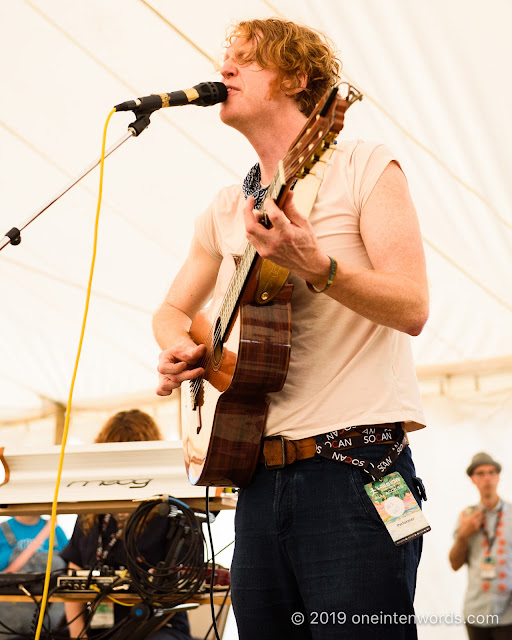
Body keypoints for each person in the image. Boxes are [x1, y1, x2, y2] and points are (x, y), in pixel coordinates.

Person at [153, 17, 429, 640]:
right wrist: (177, 344)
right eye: (224, 56)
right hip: (257, 478)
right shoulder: (228, 206)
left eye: (246, 60)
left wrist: (316, 265)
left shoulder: (365, 165)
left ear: (299, 78)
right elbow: (171, 310)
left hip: (365, 472)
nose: (224, 69)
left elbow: (413, 307)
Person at [60, 410, 191, 639]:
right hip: (98, 628)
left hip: (158, 627)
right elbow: (74, 581)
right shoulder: (91, 514)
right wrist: (78, 635)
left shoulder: (167, 513)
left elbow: (182, 581)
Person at [449, 452, 512, 639]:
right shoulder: (466, 516)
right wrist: (464, 534)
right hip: (476, 611)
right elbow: (454, 564)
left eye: (492, 472)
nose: (487, 478)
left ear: (498, 476)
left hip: (508, 613)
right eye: (481, 473)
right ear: (472, 479)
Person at [0, 515, 68, 639]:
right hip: (9, 630)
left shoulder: (55, 530)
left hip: (52, 627)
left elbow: (70, 567)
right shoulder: (2, 530)